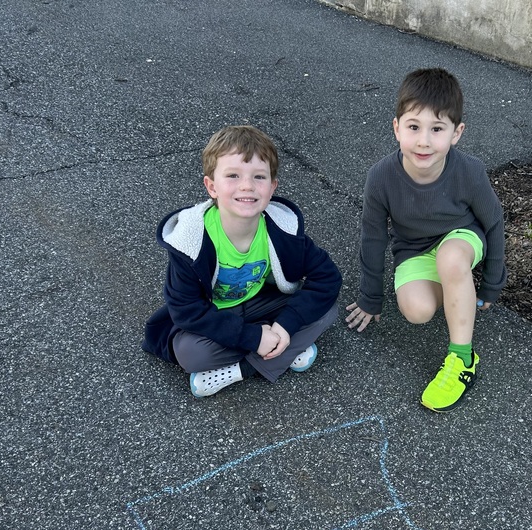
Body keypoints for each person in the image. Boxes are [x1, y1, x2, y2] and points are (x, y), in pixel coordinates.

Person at [345, 67, 506, 412]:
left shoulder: (469, 171)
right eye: (414, 127)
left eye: (437, 129)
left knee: (451, 261)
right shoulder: (381, 177)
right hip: (414, 249)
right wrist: (370, 297)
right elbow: (373, 237)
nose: (424, 141)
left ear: (457, 133)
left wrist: (492, 283)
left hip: (461, 239)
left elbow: (493, 222)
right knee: (417, 311)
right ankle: (457, 288)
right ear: (396, 128)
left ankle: (462, 359)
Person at [142, 125, 341, 397]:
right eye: (233, 175)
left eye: (259, 177)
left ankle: (243, 368)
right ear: (211, 186)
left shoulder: (281, 229)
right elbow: (187, 310)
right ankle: (285, 347)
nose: (247, 185)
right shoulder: (190, 241)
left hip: (263, 304)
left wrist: (286, 324)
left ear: (272, 188)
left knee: (328, 309)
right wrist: (254, 338)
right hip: (217, 313)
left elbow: (327, 277)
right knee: (190, 354)